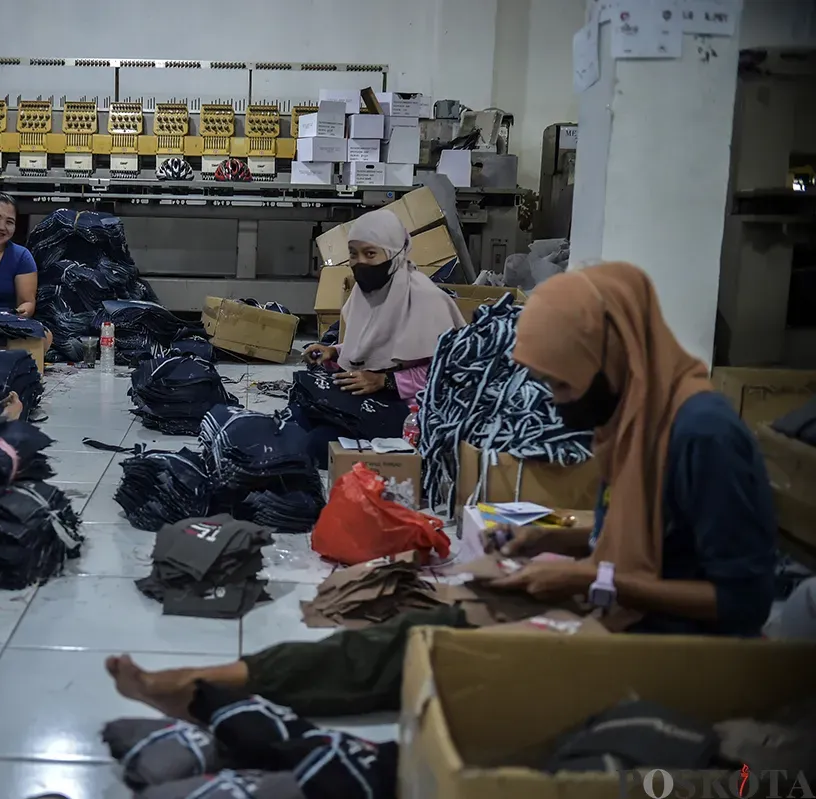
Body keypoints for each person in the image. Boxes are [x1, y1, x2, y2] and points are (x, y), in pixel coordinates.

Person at [106, 261, 781, 720]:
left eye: (564, 386)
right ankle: (222, 686)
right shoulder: (636, 418)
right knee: (421, 622)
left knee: (427, 643)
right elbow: (645, 535)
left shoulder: (702, 436)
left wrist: (589, 579)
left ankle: (214, 691)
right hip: (617, 605)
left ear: (612, 357)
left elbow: (742, 601)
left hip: (667, 650)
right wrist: (555, 538)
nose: (555, 402)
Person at [292, 209, 465, 465]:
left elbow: (450, 371)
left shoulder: (426, 299)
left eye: (370, 253)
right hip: (376, 396)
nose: (360, 262)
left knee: (316, 443)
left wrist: (386, 381)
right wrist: (336, 351)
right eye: (353, 254)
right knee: (301, 413)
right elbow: (378, 343)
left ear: (394, 252)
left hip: (415, 411)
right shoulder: (368, 293)